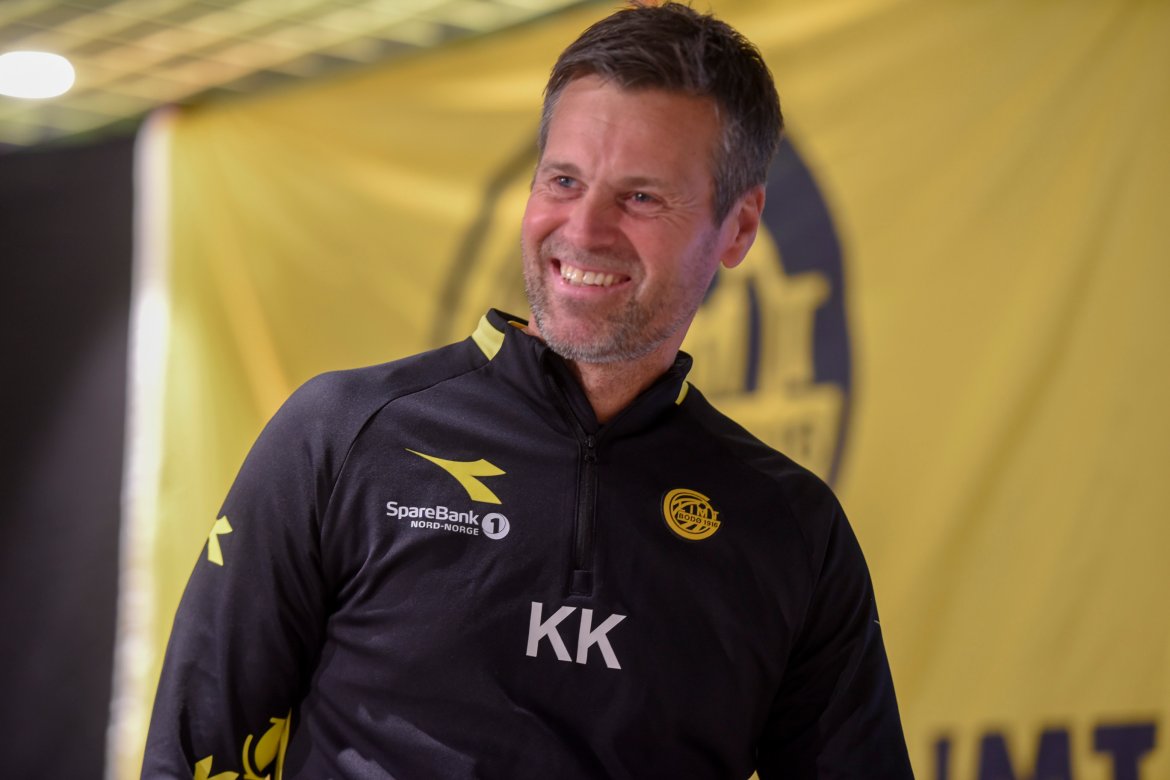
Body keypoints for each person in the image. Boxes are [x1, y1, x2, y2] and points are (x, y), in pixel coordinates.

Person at [142, 3, 913, 778]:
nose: (584, 229)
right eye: (564, 180)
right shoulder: (343, 436)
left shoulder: (792, 530)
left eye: (641, 196)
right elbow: (196, 752)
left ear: (739, 228)